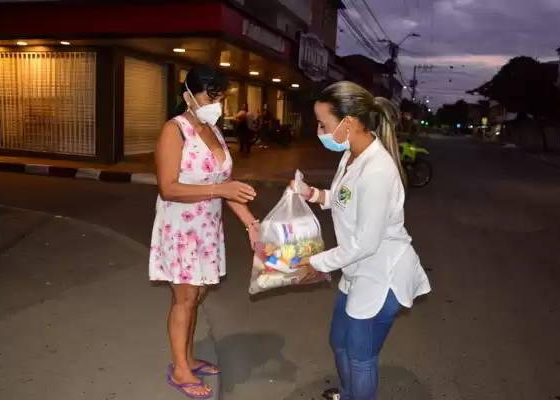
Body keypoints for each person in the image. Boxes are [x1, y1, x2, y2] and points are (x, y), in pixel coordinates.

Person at [290, 81, 431, 400]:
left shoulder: (377, 170)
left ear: (348, 123)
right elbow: (344, 198)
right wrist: (312, 194)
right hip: (357, 269)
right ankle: (347, 394)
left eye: (323, 123)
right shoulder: (353, 155)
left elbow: (365, 243)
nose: (319, 130)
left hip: (380, 275)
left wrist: (315, 262)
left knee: (360, 356)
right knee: (339, 341)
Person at [150, 64, 260, 399]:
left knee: (196, 296)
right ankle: (180, 370)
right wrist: (221, 192)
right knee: (184, 298)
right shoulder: (175, 130)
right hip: (181, 227)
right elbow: (168, 188)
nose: (219, 103)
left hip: (207, 229)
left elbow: (224, 185)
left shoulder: (213, 130)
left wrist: (251, 224)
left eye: (222, 97)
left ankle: (188, 357)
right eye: (212, 96)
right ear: (188, 96)